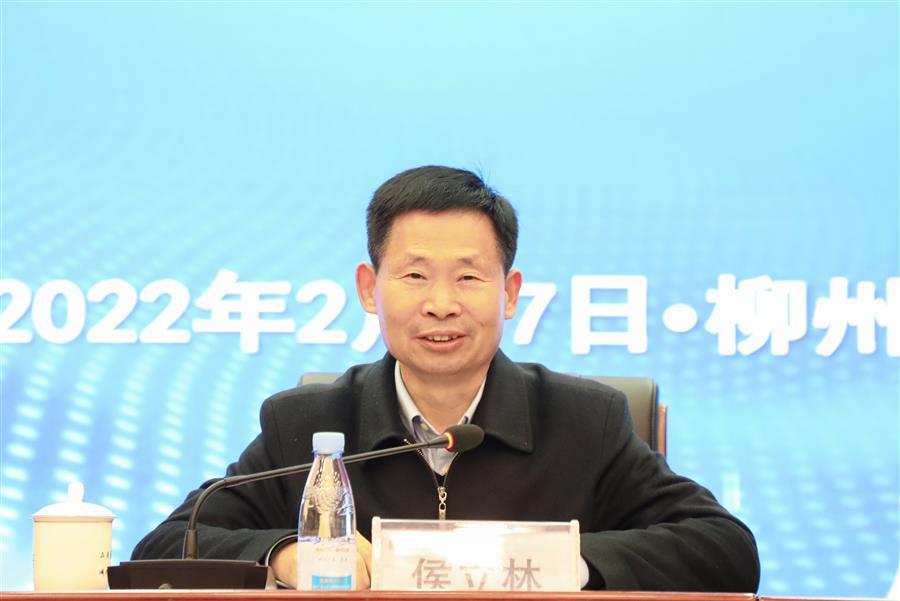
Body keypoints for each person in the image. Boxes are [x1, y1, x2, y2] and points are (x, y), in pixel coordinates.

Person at [132, 165, 760, 591]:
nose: (440, 304)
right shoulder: (307, 425)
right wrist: (284, 554)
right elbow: (165, 545)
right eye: (414, 276)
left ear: (509, 293)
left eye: (468, 277)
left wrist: (563, 564)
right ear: (369, 289)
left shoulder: (584, 421)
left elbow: (725, 548)